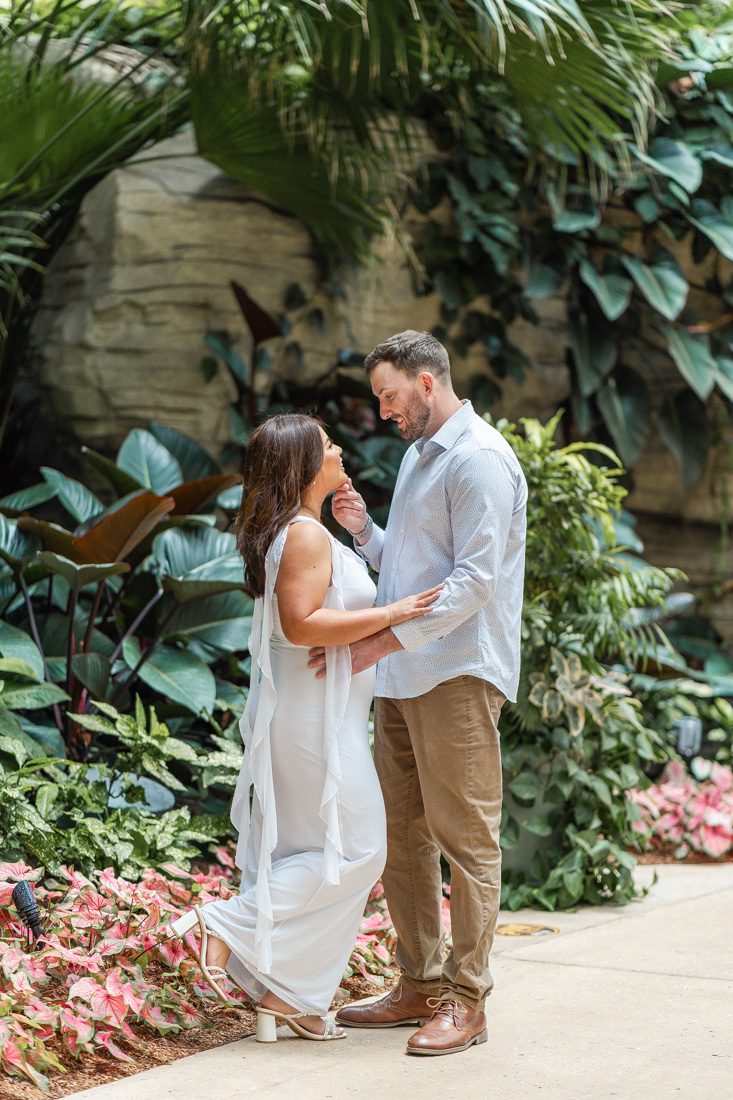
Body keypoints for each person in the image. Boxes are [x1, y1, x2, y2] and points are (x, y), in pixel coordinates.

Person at [169, 413, 441, 1044]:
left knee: (309, 853)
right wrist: (392, 613)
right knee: (358, 850)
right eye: (325, 446)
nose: (338, 448)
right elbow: (302, 625)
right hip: (318, 721)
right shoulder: (304, 537)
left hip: (310, 713)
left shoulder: (300, 531)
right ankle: (224, 924)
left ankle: (289, 997)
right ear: (300, 466)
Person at [322, 330, 528, 1056]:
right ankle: (419, 984)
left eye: (387, 395)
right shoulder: (420, 456)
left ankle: (466, 1002)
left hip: (456, 674)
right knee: (401, 837)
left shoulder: (478, 461)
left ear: (426, 382)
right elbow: (410, 576)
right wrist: (366, 534)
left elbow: (475, 583)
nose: (382, 412)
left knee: (465, 842)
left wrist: (374, 643)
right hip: (405, 675)